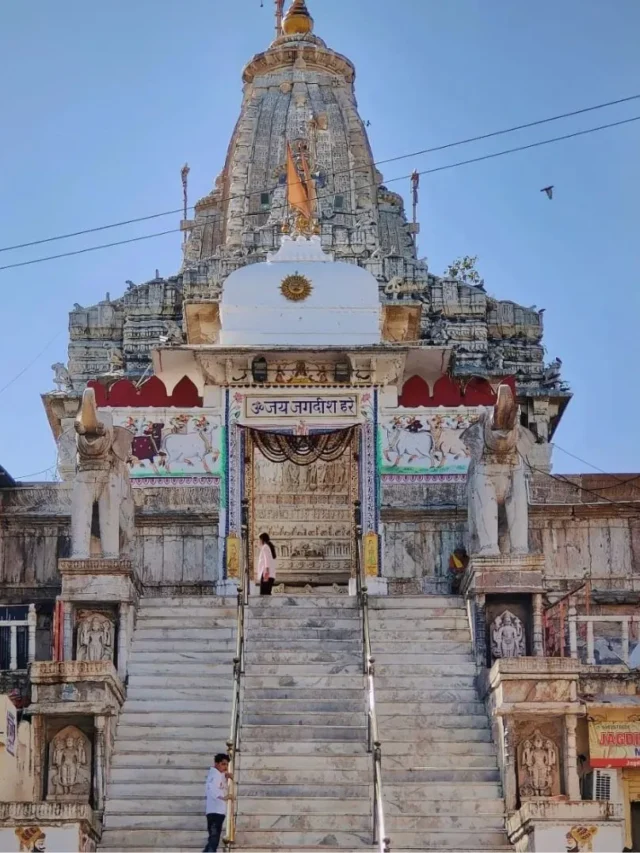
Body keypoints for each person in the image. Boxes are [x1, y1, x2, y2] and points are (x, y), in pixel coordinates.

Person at [203, 753, 232, 852]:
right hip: (214, 812)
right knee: (214, 839)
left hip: (218, 812)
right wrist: (223, 797)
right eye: (223, 764)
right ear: (216, 764)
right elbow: (211, 789)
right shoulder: (214, 775)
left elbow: (220, 785)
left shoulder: (219, 775)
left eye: (227, 765)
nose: (225, 767)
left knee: (213, 839)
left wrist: (226, 776)